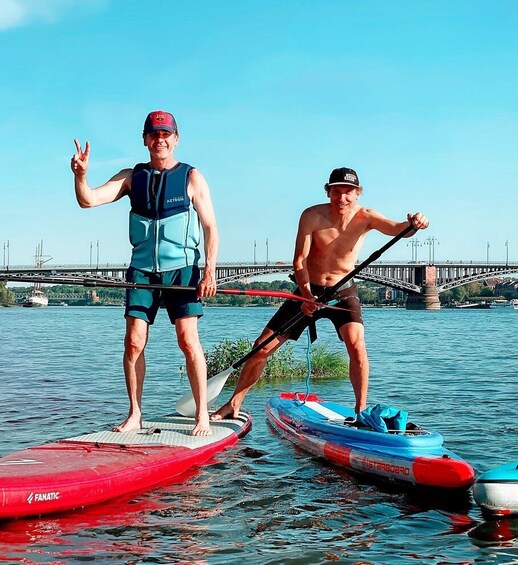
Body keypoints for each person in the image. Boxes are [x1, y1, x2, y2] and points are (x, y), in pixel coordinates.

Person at [211, 167, 428, 420]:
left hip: (343, 291)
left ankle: (360, 411)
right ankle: (234, 404)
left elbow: (398, 228)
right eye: (336, 192)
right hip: (308, 290)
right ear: (328, 192)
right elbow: (300, 261)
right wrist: (306, 295)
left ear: (358, 193)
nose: (342, 198)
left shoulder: (367, 217)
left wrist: (415, 224)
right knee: (261, 347)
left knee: (357, 346)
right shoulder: (311, 216)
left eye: (348, 192)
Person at [71, 110, 218, 436]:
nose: (160, 139)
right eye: (154, 134)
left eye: (165, 134)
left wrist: (209, 271)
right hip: (141, 272)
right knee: (134, 342)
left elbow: (210, 227)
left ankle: (202, 417)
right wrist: (81, 175)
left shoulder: (192, 178)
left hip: (181, 271)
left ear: (175, 139)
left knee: (188, 341)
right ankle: (135, 414)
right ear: (145, 140)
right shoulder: (130, 177)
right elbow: (88, 200)